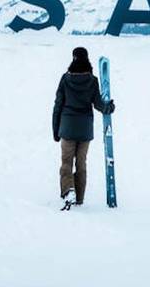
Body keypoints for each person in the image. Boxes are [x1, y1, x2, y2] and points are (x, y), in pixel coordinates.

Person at [52, 47, 115, 209]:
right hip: (85, 130)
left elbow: (58, 105)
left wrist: (55, 130)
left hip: (67, 127)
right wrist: (108, 107)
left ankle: (68, 191)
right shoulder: (92, 81)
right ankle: (79, 199)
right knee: (81, 164)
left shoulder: (65, 79)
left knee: (66, 162)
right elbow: (98, 104)